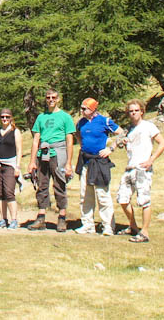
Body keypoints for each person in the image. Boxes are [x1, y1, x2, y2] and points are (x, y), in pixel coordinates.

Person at [116, 98, 164, 243]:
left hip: (142, 168)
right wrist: (124, 142)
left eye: (136, 110)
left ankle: (144, 232)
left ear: (142, 112)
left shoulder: (148, 126)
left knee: (144, 200)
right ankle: (133, 226)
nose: (134, 113)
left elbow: (163, 143)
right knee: (122, 198)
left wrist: (151, 160)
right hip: (129, 168)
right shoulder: (129, 130)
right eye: (131, 111)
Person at [27, 88, 75, 232]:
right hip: (43, 153)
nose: (51, 100)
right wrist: (32, 161)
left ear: (58, 99)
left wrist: (68, 163)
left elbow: (69, 140)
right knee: (42, 184)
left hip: (58, 152)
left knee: (59, 184)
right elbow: (36, 140)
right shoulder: (41, 117)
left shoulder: (65, 117)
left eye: (53, 97)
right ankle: (41, 217)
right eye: (48, 97)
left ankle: (62, 217)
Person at [74, 97, 121, 236]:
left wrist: (111, 148)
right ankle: (87, 224)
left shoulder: (104, 121)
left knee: (102, 194)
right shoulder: (81, 123)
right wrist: (82, 146)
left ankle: (108, 226)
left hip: (100, 162)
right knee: (85, 194)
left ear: (93, 109)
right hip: (85, 161)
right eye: (81, 108)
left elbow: (122, 133)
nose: (82, 111)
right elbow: (78, 135)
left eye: (85, 108)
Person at [0, 108, 23, 228]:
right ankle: (3, 219)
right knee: (0, 193)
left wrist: (17, 167)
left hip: (10, 164)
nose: (5, 119)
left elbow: (19, 150)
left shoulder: (15, 132)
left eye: (7, 117)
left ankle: (14, 220)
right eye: (2, 117)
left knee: (9, 192)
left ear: (11, 118)